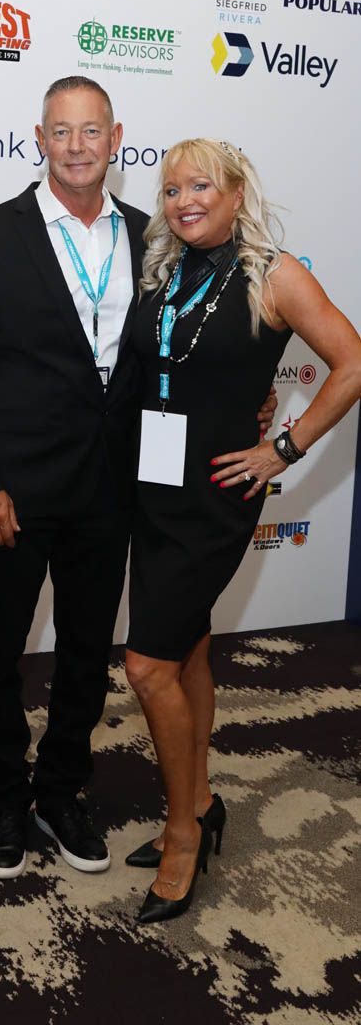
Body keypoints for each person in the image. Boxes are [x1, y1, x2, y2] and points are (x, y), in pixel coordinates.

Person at [0, 82, 276, 882]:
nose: (78, 145)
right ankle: (8, 799)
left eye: (92, 131)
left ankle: (60, 791)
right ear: (39, 138)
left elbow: (196, 338)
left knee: (89, 649)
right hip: (12, 490)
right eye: (62, 131)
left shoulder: (150, 237)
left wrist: (251, 403)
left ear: (116, 137)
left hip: (117, 487)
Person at [124, 138, 361, 924]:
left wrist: (281, 445)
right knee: (186, 648)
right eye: (169, 189)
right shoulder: (163, 268)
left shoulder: (274, 273)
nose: (182, 200)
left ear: (234, 193)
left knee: (146, 667)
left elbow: (352, 363)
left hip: (216, 496)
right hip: (153, 487)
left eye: (199, 185)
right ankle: (201, 798)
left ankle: (182, 834)